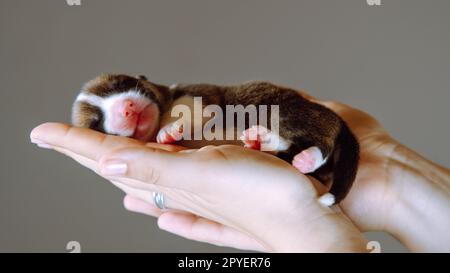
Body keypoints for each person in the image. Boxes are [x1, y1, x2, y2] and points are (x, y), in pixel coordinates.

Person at [30, 96, 450, 252]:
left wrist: (308, 233)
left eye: (119, 91)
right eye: (103, 118)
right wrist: (392, 181)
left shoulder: (182, 102)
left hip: (276, 123)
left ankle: (315, 152)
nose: (121, 107)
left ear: (142, 84)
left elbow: (200, 112)